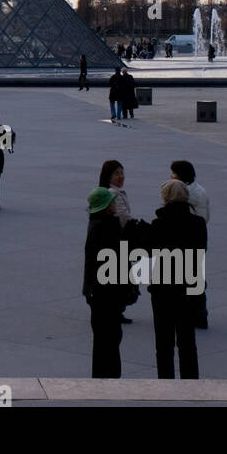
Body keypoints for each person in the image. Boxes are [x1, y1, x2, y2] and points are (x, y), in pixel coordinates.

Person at [83, 186, 149, 378]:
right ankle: (111, 375)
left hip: (96, 290)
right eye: (112, 202)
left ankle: (100, 374)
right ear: (106, 205)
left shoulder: (95, 223)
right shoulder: (109, 227)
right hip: (108, 291)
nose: (115, 205)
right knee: (111, 336)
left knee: (101, 336)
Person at [148, 179, 207, 379]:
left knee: (163, 344)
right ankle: (191, 384)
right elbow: (201, 253)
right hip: (188, 287)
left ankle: (165, 384)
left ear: (165, 198)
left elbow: (150, 251)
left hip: (162, 289)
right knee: (187, 342)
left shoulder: (158, 224)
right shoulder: (198, 224)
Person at [170, 160, 210, 329]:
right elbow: (207, 215)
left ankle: (190, 312)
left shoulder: (185, 193)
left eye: (173, 173)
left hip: (186, 239)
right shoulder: (201, 189)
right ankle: (200, 313)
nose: (171, 176)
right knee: (196, 277)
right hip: (199, 237)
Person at [98, 159, 136, 323]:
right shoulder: (113, 194)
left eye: (122, 173)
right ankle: (116, 309)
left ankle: (115, 309)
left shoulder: (112, 192)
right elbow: (122, 218)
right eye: (116, 173)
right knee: (118, 276)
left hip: (115, 240)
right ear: (108, 176)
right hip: (117, 240)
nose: (121, 177)